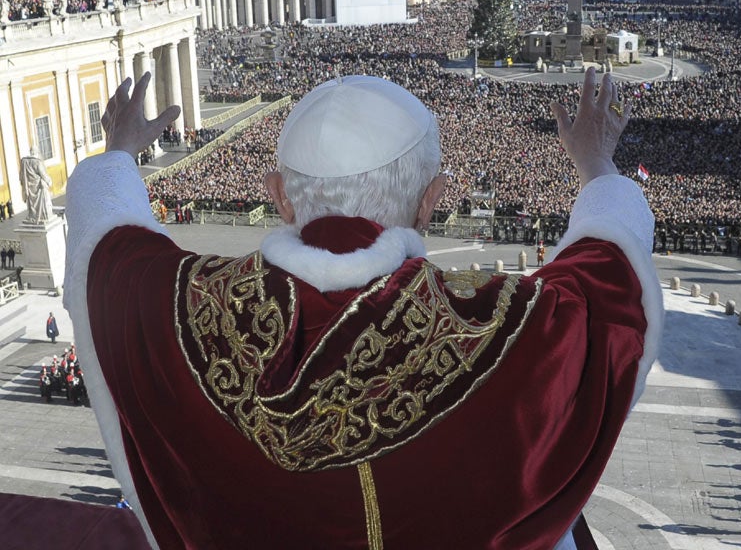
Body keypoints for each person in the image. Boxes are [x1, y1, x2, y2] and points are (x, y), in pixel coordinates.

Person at [63, 70, 663, 550]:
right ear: (431, 201)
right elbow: (608, 286)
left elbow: (108, 245)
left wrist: (118, 153)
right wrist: (597, 166)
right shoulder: (504, 324)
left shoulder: (192, 304)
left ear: (278, 196)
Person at [20, 147, 54, 224]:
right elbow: (43, 174)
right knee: (41, 203)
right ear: (37, 152)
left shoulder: (24, 162)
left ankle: (33, 216)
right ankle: (42, 215)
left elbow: (21, 175)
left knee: (32, 204)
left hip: (29, 187)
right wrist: (49, 181)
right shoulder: (37, 162)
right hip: (38, 187)